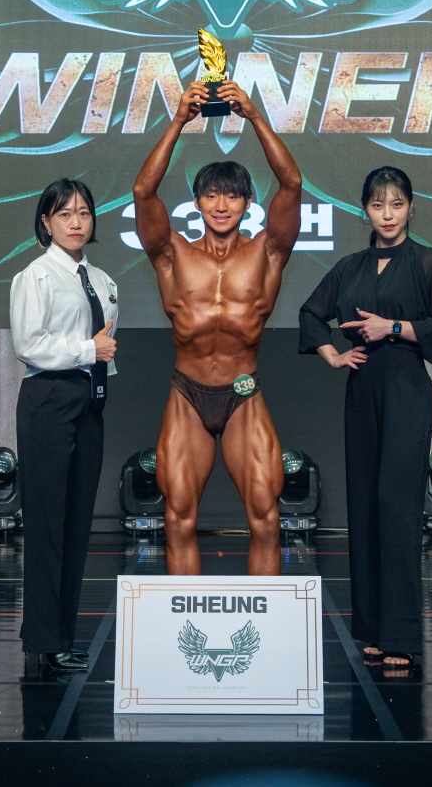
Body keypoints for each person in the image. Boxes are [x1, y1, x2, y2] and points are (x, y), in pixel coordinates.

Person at [133, 79, 301, 576]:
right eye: (211, 196)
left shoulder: (268, 252)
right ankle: (185, 619)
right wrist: (179, 120)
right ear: (196, 202)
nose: (221, 205)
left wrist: (253, 116)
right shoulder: (172, 255)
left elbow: (292, 185)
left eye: (232, 196)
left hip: (243, 391)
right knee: (178, 518)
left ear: (248, 202)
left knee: (266, 519)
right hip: (187, 394)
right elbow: (143, 191)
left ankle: (264, 622)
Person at [299, 166, 432, 673]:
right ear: (364, 210)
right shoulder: (349, 267)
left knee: (397, 505)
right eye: (377, 205)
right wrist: (332, 354)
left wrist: (392, 327)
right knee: (365, 506)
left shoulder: (428, 262)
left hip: (406, 387)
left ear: (411, 207)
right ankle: (370, 630)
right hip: (362, 387)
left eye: (396, 204)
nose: (387, 215)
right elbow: (310, 313)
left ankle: (401, 635)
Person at [10, 179, 118, 673]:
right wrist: (87, 350)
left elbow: (105, 344)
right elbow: (28, 344)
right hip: (48, 398)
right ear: (46, 223)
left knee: (76, 523)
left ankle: (63, 637)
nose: (76, 223)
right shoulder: (35, 276)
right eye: (64, 214)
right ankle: (42, 638)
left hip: (88, 399)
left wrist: (97, 362)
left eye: (84, 213)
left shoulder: (101, 279)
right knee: (48, 523)